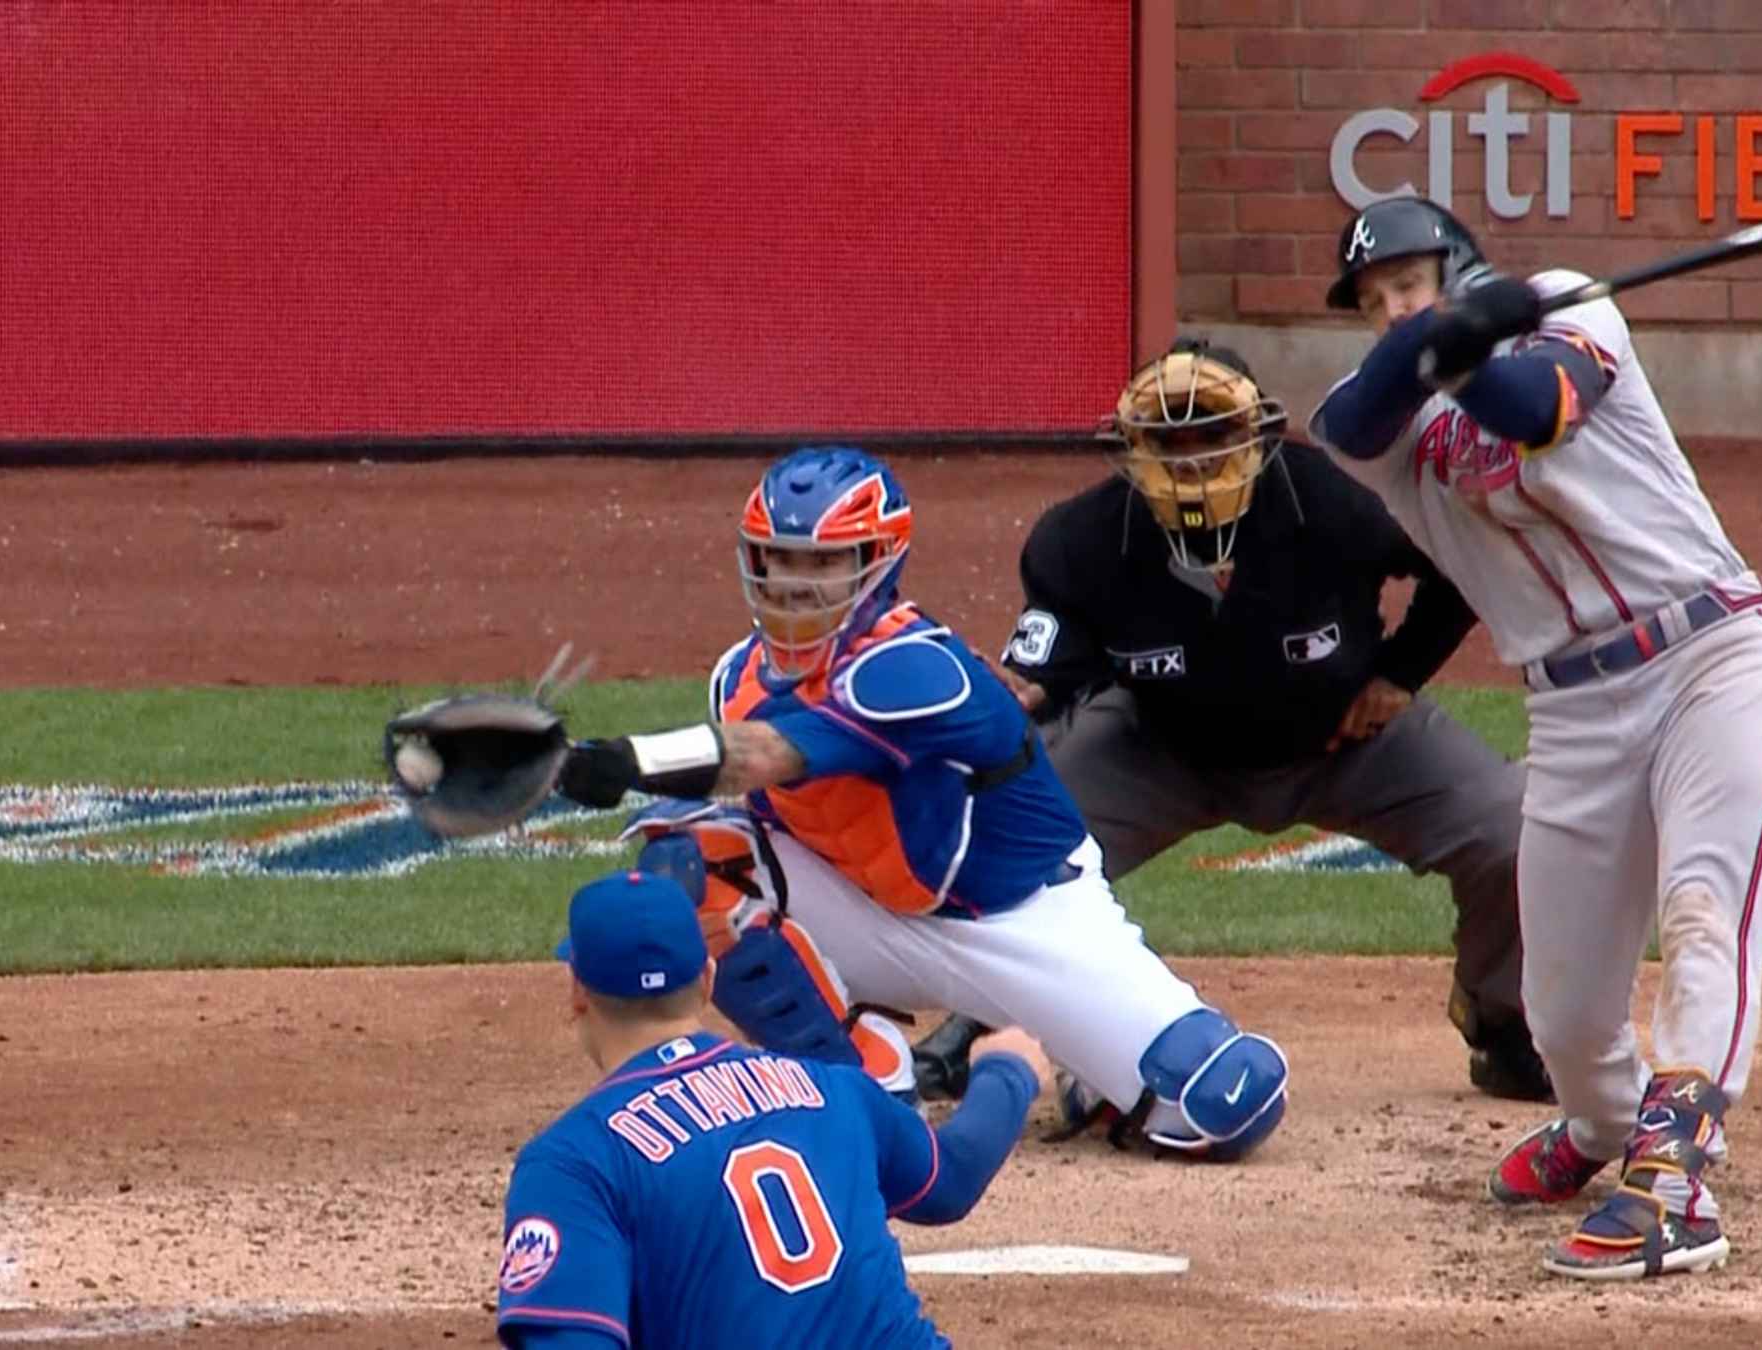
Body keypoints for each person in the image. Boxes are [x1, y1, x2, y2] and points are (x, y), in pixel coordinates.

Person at [1306, 195, 1762, 1280]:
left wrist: (1466, 345)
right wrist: (1430, 344)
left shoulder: (1572, 312)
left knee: (1702, 910)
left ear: (1465, 268)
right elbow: (1344, 425)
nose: (1395, 307)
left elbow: (1535, 408)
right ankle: (1601, 1131)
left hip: (1712, 657)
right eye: (1375, 301)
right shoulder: (1394, 424)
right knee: (1563, 1010)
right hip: (1575, 707)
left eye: (1412, 284)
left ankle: (1676, 1184)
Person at [551, 444, 1290, 1162]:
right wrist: (555, 768)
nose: (798, 583)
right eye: (783, 558)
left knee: (1224, 1101)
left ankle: (1083, 1065)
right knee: (690, 854)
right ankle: (862, 1079)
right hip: (870, 910)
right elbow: (751, 806)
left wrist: (620, 761)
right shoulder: (736, 676)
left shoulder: (916, 667)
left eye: (826, 561)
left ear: (878, 564)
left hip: (1020, 921)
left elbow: (772, 752)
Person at [911, 337, 1550, 1106]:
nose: (1190, 461)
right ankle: (971, 1023)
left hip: (1342, 739)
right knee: (1022, 841)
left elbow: (1462, 565)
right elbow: (1047, 678)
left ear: (1261, 437)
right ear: (1129, 447)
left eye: (1212, 434)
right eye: (1167, 442)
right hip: (1160, 747)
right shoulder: (1077, 542)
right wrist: (1001, 708)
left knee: (1510, 830)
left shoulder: (1337, 502)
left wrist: (1400, 674)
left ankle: (1501, 1019)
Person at [494, 866, 1051, 1349]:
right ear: (709, 981)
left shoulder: (573, 1162)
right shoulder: (836, 1088)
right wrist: (1008, 1071)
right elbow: (949, 1180)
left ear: (576, 991)